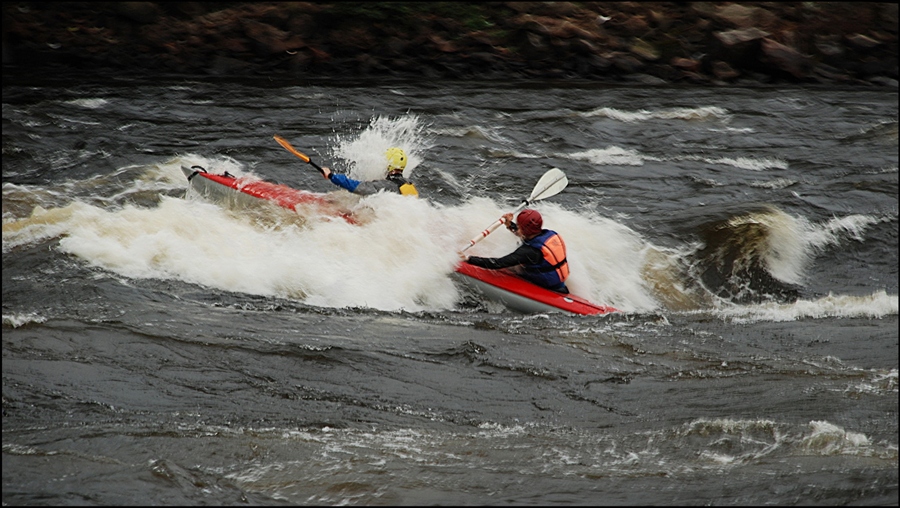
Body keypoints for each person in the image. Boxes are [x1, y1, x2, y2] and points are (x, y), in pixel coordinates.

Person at [461, 208, 570, 293]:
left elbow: (498, 263)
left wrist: (469, 259)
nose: (517, 227)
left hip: (546, 284)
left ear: (524, 229)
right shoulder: (549, 234)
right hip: (558, 281)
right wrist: (509, 224)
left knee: (506, 266)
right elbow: (523, 234)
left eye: (518, 226)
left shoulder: (529, 251)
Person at [320, 147, 418, 197]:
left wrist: (331, 175)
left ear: (388, 165)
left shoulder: (383, 186)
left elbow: (354, 186)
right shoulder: (410, 184)